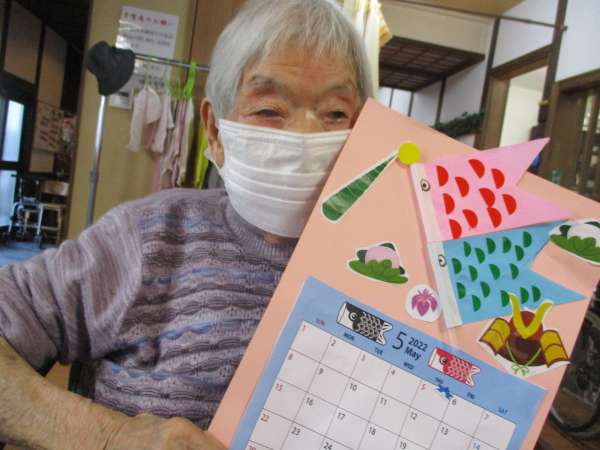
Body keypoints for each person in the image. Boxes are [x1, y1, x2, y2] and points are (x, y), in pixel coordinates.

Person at [0, 0, 372, 448]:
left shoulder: (391, 259)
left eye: (335, 114)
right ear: (215, 130)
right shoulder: (150, 237)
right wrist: (107, 436)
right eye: (269, 109)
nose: (305, 136)